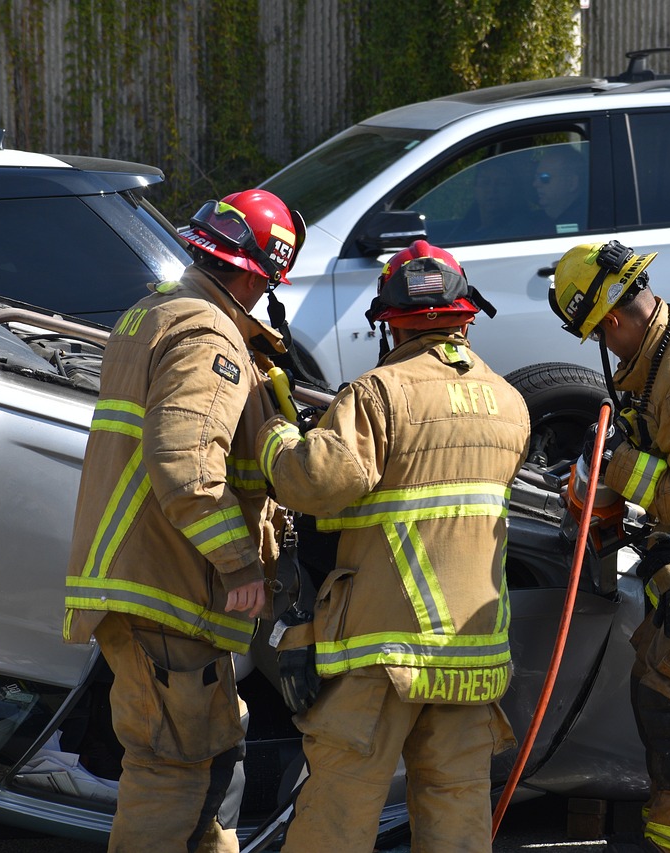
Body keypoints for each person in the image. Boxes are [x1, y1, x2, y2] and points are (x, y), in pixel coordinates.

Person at [257, 240, 530, 852]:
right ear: (465, 314)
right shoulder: (510, 405)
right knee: (456, 810)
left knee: (341, 808)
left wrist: (276, 438)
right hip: (473, 654)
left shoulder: (381, 394)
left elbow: (317, 484)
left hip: (385, 645)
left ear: (390, 322)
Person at [64, 189, 305, 852]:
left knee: (210, 754)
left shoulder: (154, 313)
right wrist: (240, 564)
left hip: (153, 587)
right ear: (260, 273)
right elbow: (187, 469)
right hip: (168, 592)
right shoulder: (209, 335)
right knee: (170, 772)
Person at [548, 240, 670, 853]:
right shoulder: (664, 352)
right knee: (663, 679)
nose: (604, 352)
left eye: (600, 338)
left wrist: (621, 464)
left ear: (612, 319)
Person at [533, 144, 588, 235]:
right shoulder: (537, 219)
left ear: (572, 183)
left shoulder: (586, 224)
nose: (535, 184)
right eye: (535, 177)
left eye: (544, 178)